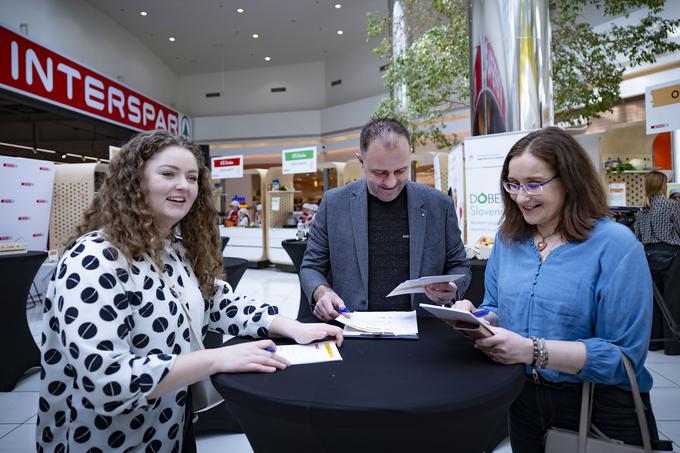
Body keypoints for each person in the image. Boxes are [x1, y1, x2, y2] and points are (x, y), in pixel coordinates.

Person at [36, 130, 343, 452]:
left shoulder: (173, 249)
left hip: (171, 427)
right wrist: (215, 359)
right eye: (168, 174)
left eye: (192, 177)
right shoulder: (95, 259)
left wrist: (292, 326)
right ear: (134, 180)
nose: (183, 185)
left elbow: (219, 302)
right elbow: (107, 380)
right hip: (105, 440)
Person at [452, 127, 662, 452]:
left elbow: (623, 358)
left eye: (534, 184)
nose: (521, 197)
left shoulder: (615, 246)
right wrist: (475, 318)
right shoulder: (508, 242)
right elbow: (497, 308)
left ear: (569, 180)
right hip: (522, 400)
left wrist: (532, 351)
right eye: (513, 184)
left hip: (599, 407)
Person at [300, 117, 471, 321]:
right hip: (353, 328)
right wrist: (323, 292)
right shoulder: (334, 204)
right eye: (380, 173)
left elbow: (460, 266)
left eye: (400, 171)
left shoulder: (438, 204)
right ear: (361, 162)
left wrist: (453, 288)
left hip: (423, 327)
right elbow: (311, 266)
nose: (390, 182)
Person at [634, 170, 680, 355]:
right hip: (672, 256)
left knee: (654, 301)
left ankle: (654, 342)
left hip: (648, 257)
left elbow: (637, 235)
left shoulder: (642, 210)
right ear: (663, 186)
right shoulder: (672, 206)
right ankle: (673, 345)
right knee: (673, 300)